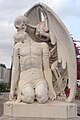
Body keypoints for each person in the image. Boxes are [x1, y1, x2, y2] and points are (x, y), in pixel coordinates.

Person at [9, 16, 56, 104]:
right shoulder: (17, 48)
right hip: (25, 79)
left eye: (20, 28)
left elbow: (46, 69)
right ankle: (20, 94)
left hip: (39, 79)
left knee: (42, 99)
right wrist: (12, 89)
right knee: (29, 98)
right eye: (17, 31)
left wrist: (51, 89)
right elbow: (15, 69)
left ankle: (36, 93)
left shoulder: (42, 46)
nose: (18, 32)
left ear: (24, 27)